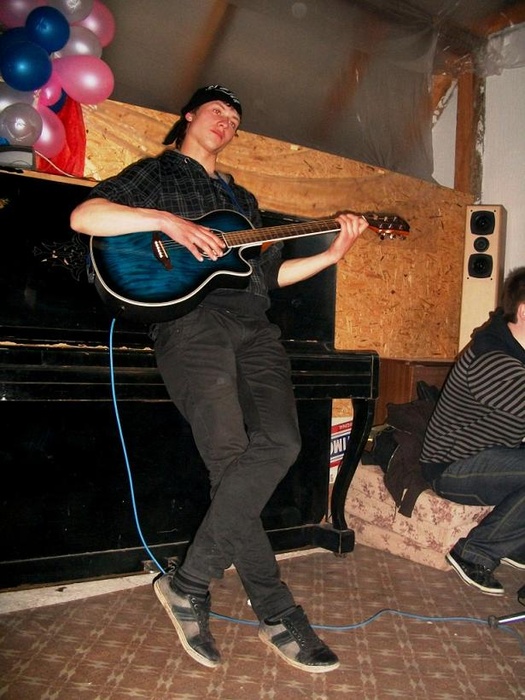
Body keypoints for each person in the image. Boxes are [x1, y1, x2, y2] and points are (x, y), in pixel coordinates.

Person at [70, 85, 368, 672]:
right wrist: (168, 222)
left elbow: (267, 278)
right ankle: (278, 612)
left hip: (254, 326)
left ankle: (187, 583)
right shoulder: (157, 173)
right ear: (188, 117)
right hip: (192, 323)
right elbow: (85, 216)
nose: (226, 122)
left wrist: (333, 255)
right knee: (229, 458)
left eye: (234, 118)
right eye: (216, 111)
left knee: (283, 442)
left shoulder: (242, 201)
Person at [420, 265, 525, 595]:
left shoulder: (513, 350)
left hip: (491, 458)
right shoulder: (492, 358)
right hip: (454, 468)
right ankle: (473, 553)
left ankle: (517, 545)